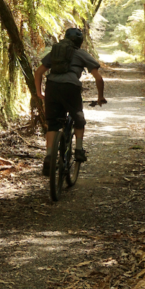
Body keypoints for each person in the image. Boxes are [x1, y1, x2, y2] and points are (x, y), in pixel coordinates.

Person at [34, 27, 107, 177]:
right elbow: (98, 78)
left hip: (52, 87)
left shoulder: (55, 53)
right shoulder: (81, 54)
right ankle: (79, 150)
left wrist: (39, 91)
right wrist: (100, 97)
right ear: (80, 42)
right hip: (71, 88)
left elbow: (38, 72)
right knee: (78, 117)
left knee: (53, 124)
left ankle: (49, 156)